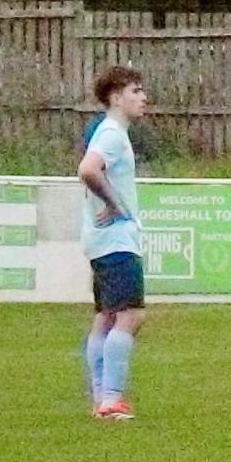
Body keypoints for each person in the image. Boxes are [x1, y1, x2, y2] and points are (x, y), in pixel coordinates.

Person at [79, 66, 149, 421]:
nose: (143, 98)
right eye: (135, 91)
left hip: (100, 240)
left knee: (105, 318)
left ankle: (101, 396)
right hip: (116, 240)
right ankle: (110, 398)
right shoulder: (111, 135)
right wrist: (114, 204)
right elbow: (88, 170)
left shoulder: (105, 131)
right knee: (130, 315)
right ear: (116, 97)